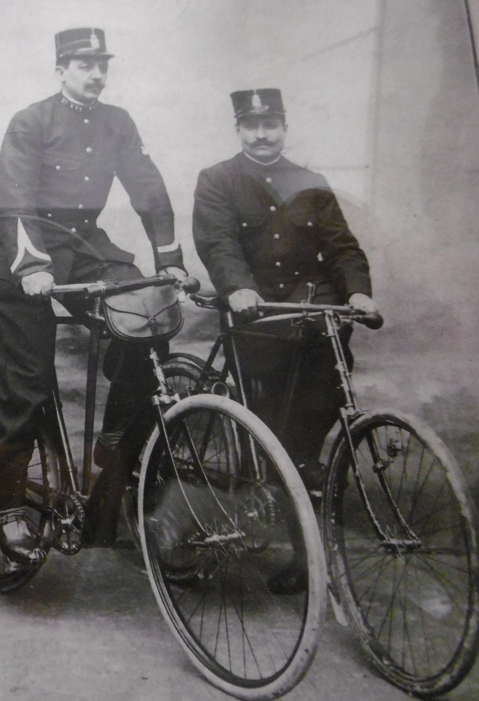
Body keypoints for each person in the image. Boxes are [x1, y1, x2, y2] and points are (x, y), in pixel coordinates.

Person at [0, 28, 187, 564]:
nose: (95, 73)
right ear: (61, 69)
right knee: (28, 382)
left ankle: (114, 445)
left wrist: (170, 262)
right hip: (17, 251)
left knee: (147, 310)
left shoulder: (117, 121)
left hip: (81, 240)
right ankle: (7, 507)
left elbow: (149, 188)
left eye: (101, 65)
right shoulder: (31, 120)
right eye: (82, 64)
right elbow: (14, 196)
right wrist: (33, 266)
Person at [192, 88, 376, 593]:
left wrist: (358, 292)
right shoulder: (218, 180)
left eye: (271, 123)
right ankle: (261, 525)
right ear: (238, 129)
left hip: (314, 325)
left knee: (309, 440)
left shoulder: (309, 182)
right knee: (272, 436)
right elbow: (217, 242)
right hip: (258, 323)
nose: (262, 133)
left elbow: (342, 246)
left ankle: (306, 553)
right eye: (251, 125)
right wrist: (239, 288)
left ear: (285, 126)